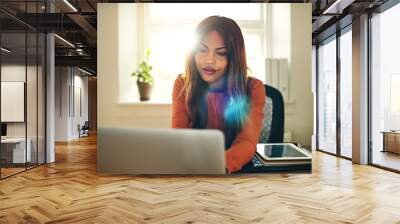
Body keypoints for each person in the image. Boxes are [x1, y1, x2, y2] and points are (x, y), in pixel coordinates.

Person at [172, 16, 266, 174]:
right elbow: (180, 137)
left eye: (221, 53)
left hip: (235, 172)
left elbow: (247, 142)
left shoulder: (254, 88)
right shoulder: (182, 84)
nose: (209, 60)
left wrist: (217, 165)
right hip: (194, 169)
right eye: (202, 50)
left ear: (234, 58)